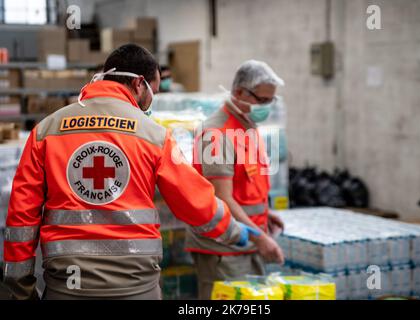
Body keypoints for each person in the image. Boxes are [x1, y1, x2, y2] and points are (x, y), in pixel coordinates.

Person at [1, 44, 251, 300]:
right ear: (139, 84)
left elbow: (21, 217)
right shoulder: (154, 135)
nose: (151, 101)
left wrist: (20, 288)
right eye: (153, 92)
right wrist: (233, 230)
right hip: (136, 287)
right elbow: (194, 200)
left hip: (67, 287)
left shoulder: (47, 130)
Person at [185, 60, 285, 299]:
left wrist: (263, 213)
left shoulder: (247, 126)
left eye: (271, 101)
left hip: (246, 239)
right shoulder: (217, 134)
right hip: (223, 247)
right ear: (239, 93)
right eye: (262, 100)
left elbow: (245, 185)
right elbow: (222, 198)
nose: (266, 107)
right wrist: (260, 237)